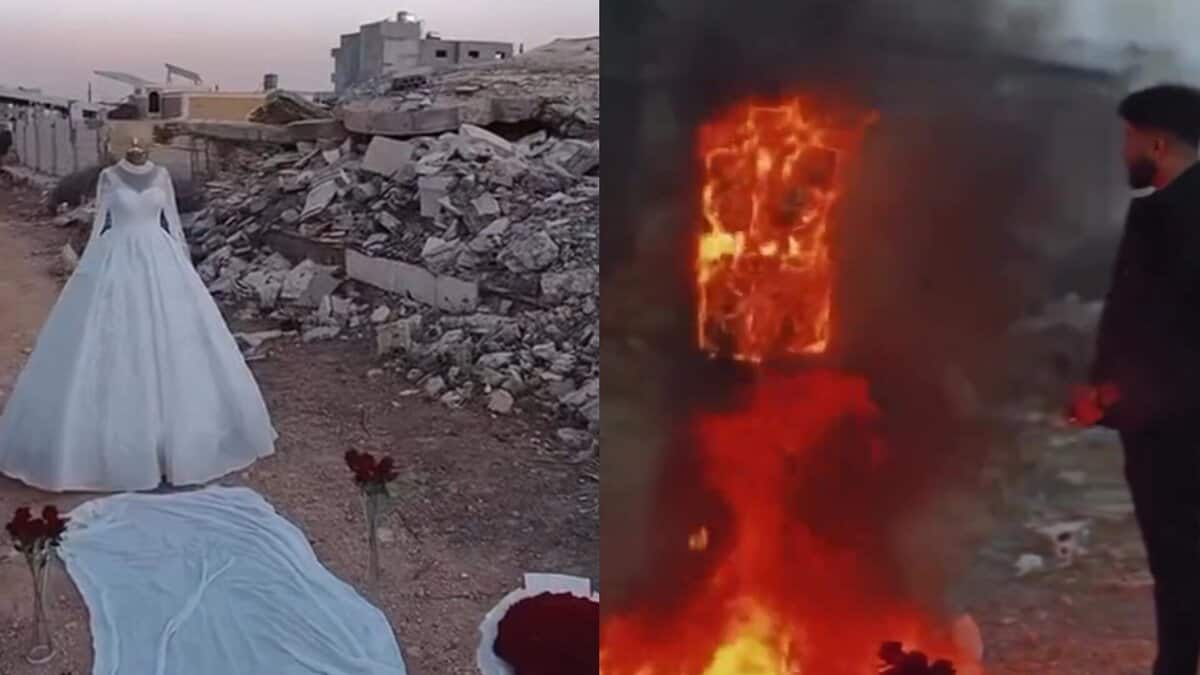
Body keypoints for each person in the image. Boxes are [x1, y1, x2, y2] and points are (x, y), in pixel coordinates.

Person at [0, 141, 276, 492]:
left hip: (160, 257)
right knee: (107, 340)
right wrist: (85, 268)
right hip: (114, 255)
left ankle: (175, 444)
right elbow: (101, 222)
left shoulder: (161, 176)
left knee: (176, 342)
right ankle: (104, 449)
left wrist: (186, 270)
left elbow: (172, 225)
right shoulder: (109, 177)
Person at [1070, 83, 1200, 675]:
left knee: (1178, 561)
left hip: (1175, 427)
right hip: (1168, 413)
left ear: (1157, 141)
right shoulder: (1171, 209)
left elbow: (1166, 325)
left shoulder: (1174, 216)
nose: (1124, 151)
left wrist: (1117, 394)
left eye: (1128, 138)